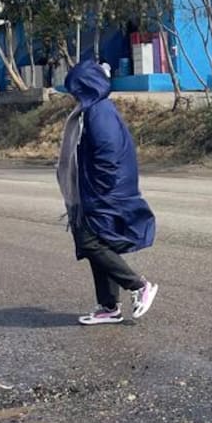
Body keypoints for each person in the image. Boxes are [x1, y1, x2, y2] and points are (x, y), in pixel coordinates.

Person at [57, 58, 158, 325]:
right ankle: (108, 306)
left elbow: (108, 153)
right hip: (97, 190)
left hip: (103, 191)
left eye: (75, 89)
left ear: (86, 87)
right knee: (100, 242)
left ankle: (138, 286)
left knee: (91, 242)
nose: (72, 96)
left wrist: (99, 189)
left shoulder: (98, 112)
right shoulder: (93, 109)